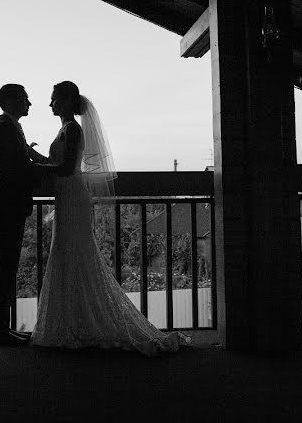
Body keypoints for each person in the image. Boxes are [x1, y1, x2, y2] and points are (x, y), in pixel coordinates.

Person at [29, 81, 191, 356]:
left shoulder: (73, 129)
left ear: (68, 100)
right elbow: (59, 164)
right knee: (70, 254)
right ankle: (74, 321)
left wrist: (36, 164)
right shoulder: (66, 129)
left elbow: (67, 168)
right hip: (67, 197)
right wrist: (35, 156)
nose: (50, 104)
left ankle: (78, 323)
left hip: (72, 195)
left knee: (76, 253)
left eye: (54, 98)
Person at [0, 84, 39, 346]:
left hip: (6, 203)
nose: (30, 103)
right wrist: (53, 169)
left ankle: (1, 328)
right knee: (4, 267)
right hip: (7, 204)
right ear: (11, 101)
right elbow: (17, 169)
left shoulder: (7, 127)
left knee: (5, 267)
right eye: (25, 99)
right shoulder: (6, 128)